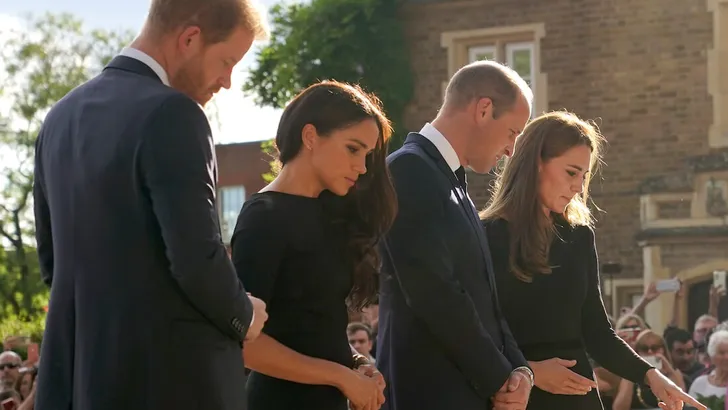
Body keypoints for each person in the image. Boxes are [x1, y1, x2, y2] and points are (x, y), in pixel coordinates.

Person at [32, 1, 269, 409]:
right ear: (190, 38)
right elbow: (196, 257)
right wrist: (243, 314)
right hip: (166, 386)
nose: (228, 81)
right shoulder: (174, 113)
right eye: (227, 61)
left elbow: (53, 264)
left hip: (77, 384)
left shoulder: (58, 119)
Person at [479, 111, 706, 410]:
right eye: (571, 172)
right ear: (535, 164)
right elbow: (473, 332)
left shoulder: (578, 237)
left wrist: (652, 377)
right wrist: (527, 370)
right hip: (515, 397)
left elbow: (598, 332)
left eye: (584, 176)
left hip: (579, 398)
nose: (578, 186)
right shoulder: (485, 235)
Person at [377, 60, 534, 410]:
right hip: (428, 393)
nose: (511, 150)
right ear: (483, 109)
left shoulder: (453, 183)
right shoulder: (409, 170)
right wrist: (499, 379)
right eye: (512, 132)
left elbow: (486, 300)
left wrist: (519, 368)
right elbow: (434, 292)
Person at [231, 80, 396, 410]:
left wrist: (355, 364)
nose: (362, 167)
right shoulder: (263, 218)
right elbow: (245, 344)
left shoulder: (330, 213)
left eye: (367, 154)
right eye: (353, 149)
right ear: (310, 137)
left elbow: (311, 326)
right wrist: (340, 376)